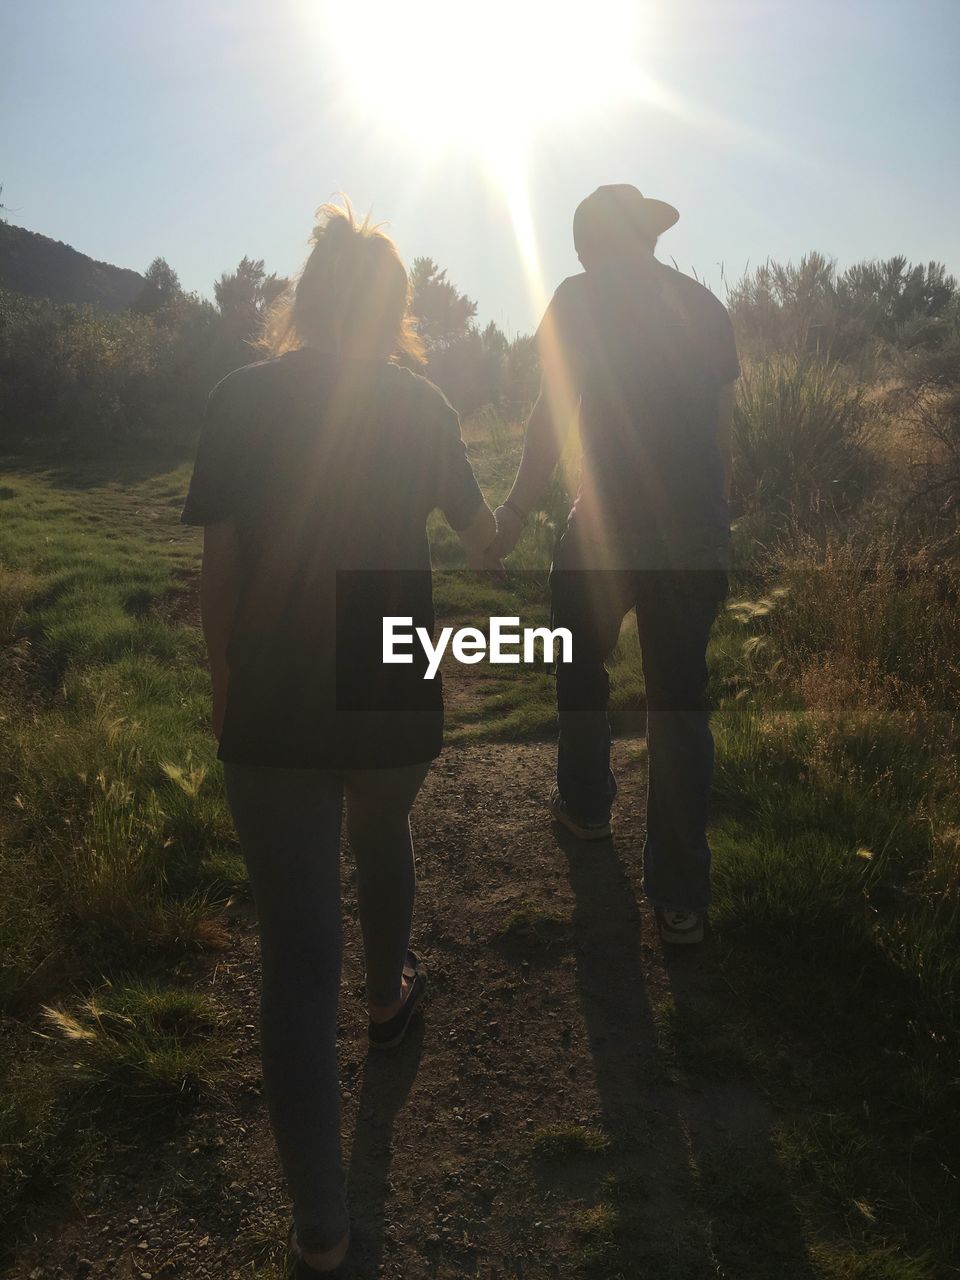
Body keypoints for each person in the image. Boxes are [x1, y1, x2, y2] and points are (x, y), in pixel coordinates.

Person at [180, 201, 499, 1273]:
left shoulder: (236, 399)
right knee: (383, 827)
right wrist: (543, 487)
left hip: (270, 695)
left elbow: (218, 579)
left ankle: (322, 1230)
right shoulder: (425, 404)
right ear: (398, 310)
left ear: (306, 300)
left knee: (293, 958)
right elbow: (488, 542)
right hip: (389, 682)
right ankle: (389, 993)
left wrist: (226, 690)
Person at [490, 183, 740, 947]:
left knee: (578, 664)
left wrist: (512, 516)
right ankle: (681, 898)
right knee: (679, 699)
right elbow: (725, 437)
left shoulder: (578, 299)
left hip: (605, 528)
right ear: (648, 236)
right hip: (694, 534)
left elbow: (548, 421)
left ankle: (587, 808)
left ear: (592, 243)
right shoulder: (704, 308)